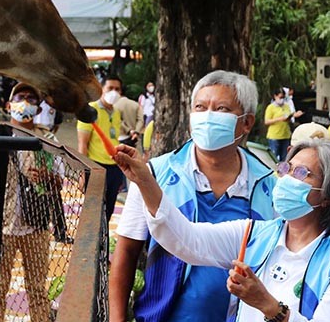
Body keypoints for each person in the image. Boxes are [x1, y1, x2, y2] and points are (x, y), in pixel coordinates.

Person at [113, 139, 330, 322]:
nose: (287, 179)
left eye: (303, 173)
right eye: (286, 168)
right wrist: (145, 180)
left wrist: (270, 307)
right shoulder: (254, 234)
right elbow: (186, 240)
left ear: (328, 195)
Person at [109, 70, 277, 322]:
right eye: (200, 107)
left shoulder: (266, 185)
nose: (208, 116)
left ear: (247, 122)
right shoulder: (153, 175)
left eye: (221, 109)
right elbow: (126, 253)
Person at [0, 82, 70, 322]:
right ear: (9, 104)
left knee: (37, 288)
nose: (26, 102)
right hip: (1, 225)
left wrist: (47, 177)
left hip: (36, 225)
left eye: (32, 99)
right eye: (21, 97)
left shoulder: (47, 139)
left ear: (37, 108)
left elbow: (60, 180)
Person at [77, 75, 123, 221]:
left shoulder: (116, 112)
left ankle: (103, 241)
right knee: (93, 210)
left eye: (117, 89)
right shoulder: (90, 111)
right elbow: (82, 144)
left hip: (115, 167)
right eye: (110, 88)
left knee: (108, 210)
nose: (114, 92)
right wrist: (82, 173)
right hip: (96, 167)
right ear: (102, 89)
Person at [264, 88, 304, 162]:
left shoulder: (286, 106)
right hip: (274, 136)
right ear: (275, 96)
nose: (282, 99)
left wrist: (293, 116)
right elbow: (266, 121)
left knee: (285, 157)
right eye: (280, 97)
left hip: (285, 134)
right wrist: (279, 119)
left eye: (283, 97)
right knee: (274, 157)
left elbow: (288, 117)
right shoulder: (271, 107)